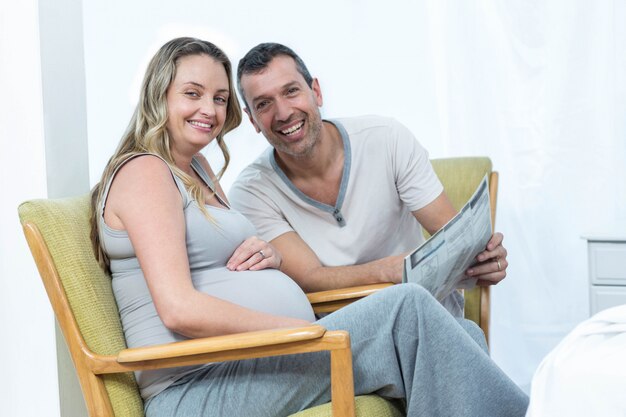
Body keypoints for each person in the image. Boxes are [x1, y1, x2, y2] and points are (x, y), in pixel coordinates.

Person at [90, 37, 528, 417]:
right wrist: (299, 332)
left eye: (219, 98)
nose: (209, 109)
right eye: (193, 93)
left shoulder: (197, 169)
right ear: (157, 96)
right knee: (407, 309)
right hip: (197, 389)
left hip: (245, 363)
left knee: (463, 334)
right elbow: (178, 309)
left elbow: (216, 267)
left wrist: (272, 257)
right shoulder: (146, 172)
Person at [230, 43, 509, 317]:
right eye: (264, 104)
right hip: (344, 333)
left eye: (291, 91)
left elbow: (457, 244)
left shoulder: (386, 138)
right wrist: (385, 270)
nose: (283, 113)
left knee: (461, 331)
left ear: (316, 91)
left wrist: (483, 261)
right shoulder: (251, 192)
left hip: (427, 311)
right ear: (252, 120)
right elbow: (310, 277)